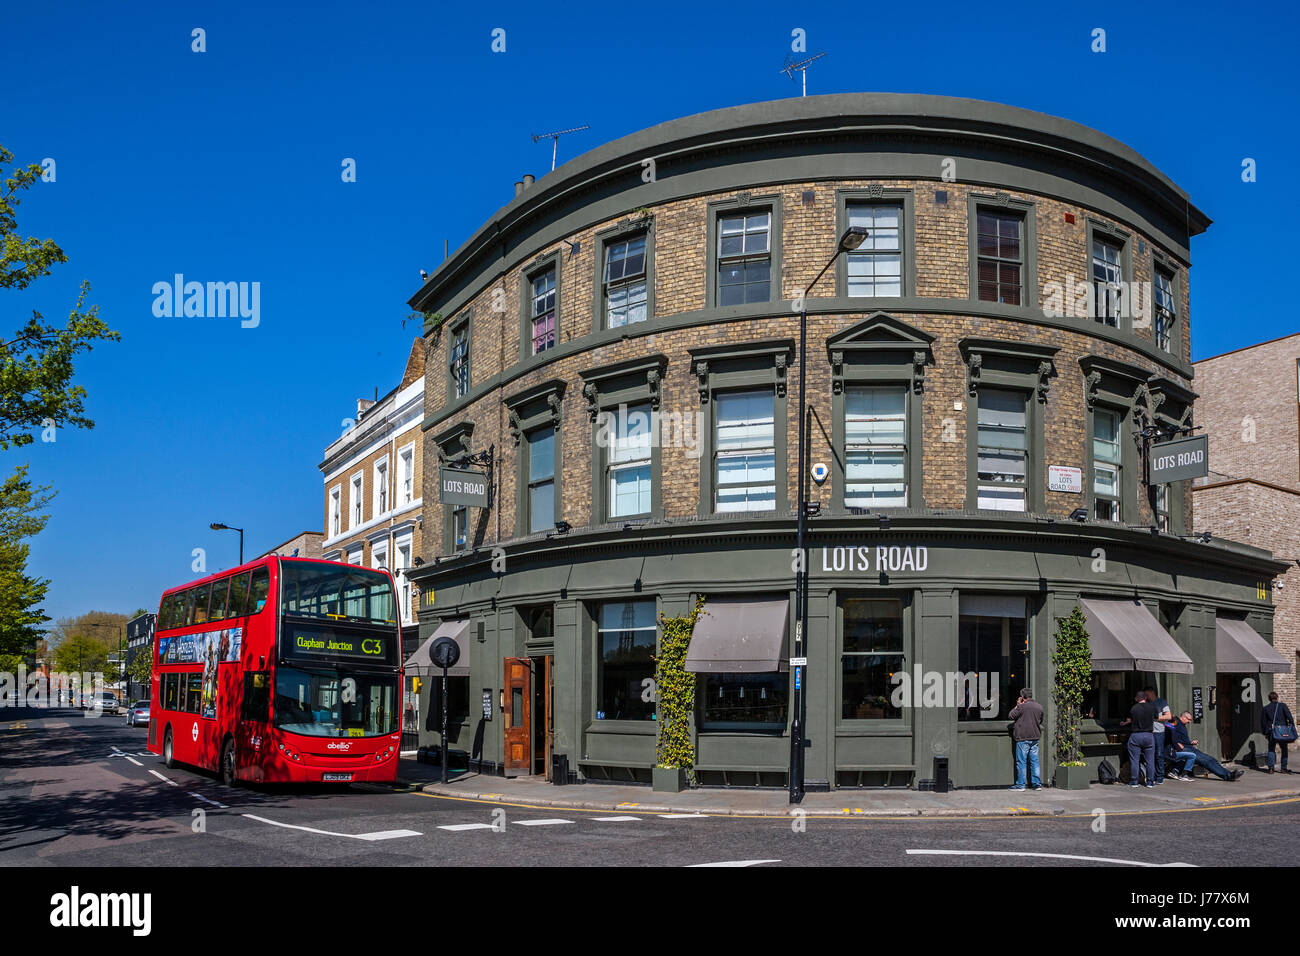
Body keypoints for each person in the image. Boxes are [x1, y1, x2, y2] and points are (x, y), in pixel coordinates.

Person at [1168, 711, 1243, 781]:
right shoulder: (1176, 721)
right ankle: (1229, 775)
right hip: (1184, 749)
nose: (1189, 722)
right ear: (1183, 717)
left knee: (1210, 759)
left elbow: (1180, 738)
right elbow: (1170, 731)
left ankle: (1228, 774)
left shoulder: (1182, 725)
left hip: (1189, 747)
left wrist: (1191, 742)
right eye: (1189, 720)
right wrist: (1177, 745)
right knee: (1207, 760)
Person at [1008, 688, 1044, 791]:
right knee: (1035, 761)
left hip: (1023, 737)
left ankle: (1021, 785)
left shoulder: (1021, 707)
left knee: (1021, 762)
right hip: (1035, 737)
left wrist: (1017, 705)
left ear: (1022, 697)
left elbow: (1011, 715)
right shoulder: (1039, 707)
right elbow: (1041, 720)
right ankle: (1037, 784)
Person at [1121, 690, 1157, 787]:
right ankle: (1150, 781)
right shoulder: (1151, 707)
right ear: (1145, 698)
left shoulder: (1134, 708)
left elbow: (1131, 719)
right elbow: (1156, 717)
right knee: (1150, 760)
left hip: (1136, 735)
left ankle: (1134, 781)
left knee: (1134, 760)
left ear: (1137, 699)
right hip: (1149, 735)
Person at [1262, 691, 1295, 774]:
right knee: (1284, 749)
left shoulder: (1266, 708)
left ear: (1269, 699)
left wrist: (1265, 733)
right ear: (1277, 698)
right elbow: (1290, 717)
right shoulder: (1282, 706)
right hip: (1282, 731)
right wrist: (1291, 727)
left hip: (1271, 731)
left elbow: (1263, 722)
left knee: (1271, 749)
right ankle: (1283, 768)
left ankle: (1271, 768)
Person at [1146, 687, 1171, 784]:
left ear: (1152, 692)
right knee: (1149, 755)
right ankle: (1151, 776)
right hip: (1148, 732)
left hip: (1159, 732)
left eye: (1147, 694)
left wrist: (1156, 718)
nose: (1146, 696)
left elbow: (1168, 716)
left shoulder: (1161, 702)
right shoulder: (1146, 703)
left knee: (1159, 754)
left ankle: (1160, 776)